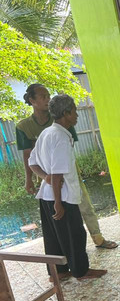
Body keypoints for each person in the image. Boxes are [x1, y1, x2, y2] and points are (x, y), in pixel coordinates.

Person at [16, 84, 117, 249]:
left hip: (68, 174)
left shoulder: (61, 119)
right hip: (48, 178)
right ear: (32, 100)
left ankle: (97, 239)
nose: (47, 99)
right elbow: (29, 156)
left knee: (85, 206)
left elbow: (68, 151)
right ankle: (70, 255)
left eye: (48, 95)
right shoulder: (24, 126)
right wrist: (35, 179)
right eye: (43, 96)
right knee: (60, 217)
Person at [28, 94, 107, 280]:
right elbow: (57, 174)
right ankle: (81, 271)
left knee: (54, 237)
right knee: (75, 234)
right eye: (74, 111)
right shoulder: (61, 138)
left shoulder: (46, 133)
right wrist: (58, 202)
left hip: (47, 196)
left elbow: (33, 163)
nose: (77, 115)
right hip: (61, 197)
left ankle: (59, 273)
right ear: (65, 113)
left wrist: (44, 177)